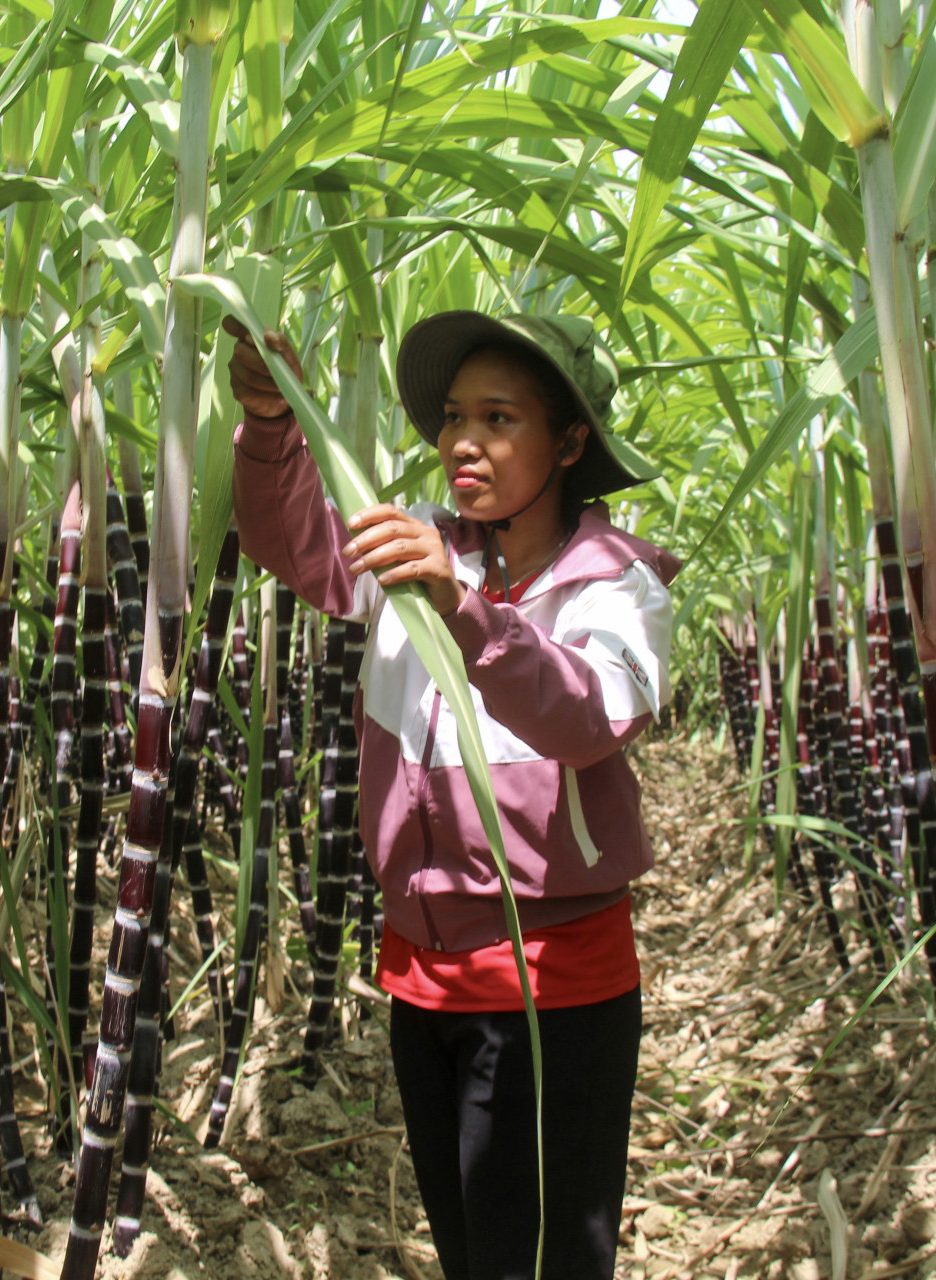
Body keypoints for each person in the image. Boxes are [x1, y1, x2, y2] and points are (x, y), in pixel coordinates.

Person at [227, 309, 678, 1280]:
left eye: (500, 417)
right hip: (420, 974)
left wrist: (462, 612)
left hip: (551, 986)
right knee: (475, 1250)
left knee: (541, 1261)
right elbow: (292, 540)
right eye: (453, 414)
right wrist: (271, 422)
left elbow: (582, 717)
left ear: (568, 441)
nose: (463, 440)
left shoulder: (617, 586)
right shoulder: (422, 547)